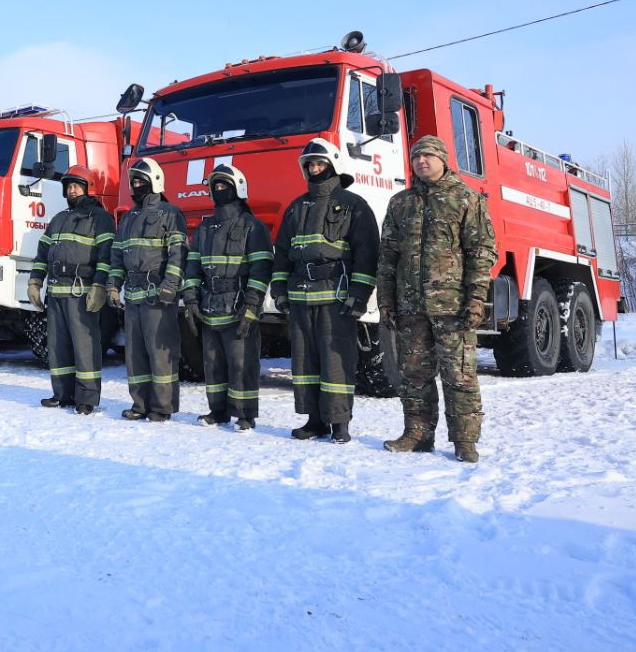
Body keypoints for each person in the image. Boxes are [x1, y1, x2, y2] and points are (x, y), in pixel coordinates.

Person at [379, 135, 498, 464]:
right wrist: (386, 301)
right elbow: (387, 257)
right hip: (410, 308)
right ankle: (417, 435)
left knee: (459, 375)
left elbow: (481, 253)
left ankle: (464, 440)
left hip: (453, 308)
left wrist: (476, 300)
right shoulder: (400, 203)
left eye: (429, 156)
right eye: (417, 157)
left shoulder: (466, 200)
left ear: (443, 160)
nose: (422, 161)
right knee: (413, 375)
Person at [271, 138, 379, 444]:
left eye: (319, 164)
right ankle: (314, 419)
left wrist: (359, 294)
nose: (314, 169)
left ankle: (339, 423)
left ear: (332, 165)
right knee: (305, 362)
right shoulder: (296, 207)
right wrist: (279, 289)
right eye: (310, 165)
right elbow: (282, 252)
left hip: (336, 297)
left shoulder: (353, 205)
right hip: (300, 297)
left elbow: (366, 253)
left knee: (336, 360)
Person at [182, 164, 274, 430]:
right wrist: (190, 299)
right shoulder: (205, 228)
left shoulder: (252, 227)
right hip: (210, 304)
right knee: (213, 363)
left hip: (238, 305)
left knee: (242, 362)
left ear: (238, 189)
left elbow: (261, 269)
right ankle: (218, 411)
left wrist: (252, 307)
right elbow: (193, 266)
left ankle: (245, 415)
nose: (219, 190)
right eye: (216, 187)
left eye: (225, 186)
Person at [28, 165, 114, 415]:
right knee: (58, 346)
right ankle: (62, 394)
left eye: (77, 185)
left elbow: (106, 256)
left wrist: (99, 286)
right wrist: (35, 281)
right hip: (56, 293)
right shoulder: (58, 219)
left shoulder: (101, 219)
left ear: (89, 188)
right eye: (68, 186)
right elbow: (42, 254)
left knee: (85, 346)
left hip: (81, 292)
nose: (72, 189)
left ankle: (86, 398)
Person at [108, 159, 188, 422]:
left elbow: (178, 254)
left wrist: (170, 285)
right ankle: (140, 404)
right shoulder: (129, 217)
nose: (137, 186)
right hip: (133, 296)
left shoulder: (170, 213)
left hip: (158, 295)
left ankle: (162, 407)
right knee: (135, 354)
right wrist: (112, 286)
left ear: (155, 181)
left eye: (141, 181)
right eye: (134, 182)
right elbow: (117, 255)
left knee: (160, 354)